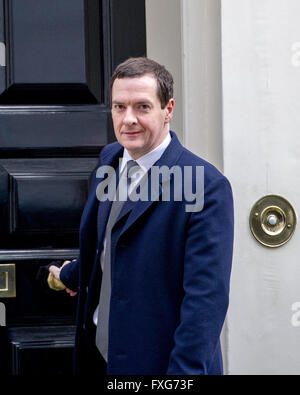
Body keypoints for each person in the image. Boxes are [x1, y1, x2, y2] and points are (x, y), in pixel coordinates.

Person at [49, 57, 234, 375]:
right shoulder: (109, 159)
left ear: (168, 109)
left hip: (161, 365)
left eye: (142, 107)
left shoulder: (205, 185)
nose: (128, 119)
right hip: (98, 353)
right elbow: (110, 243)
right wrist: (70, 275)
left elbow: (205, 303)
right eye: (119, 107)